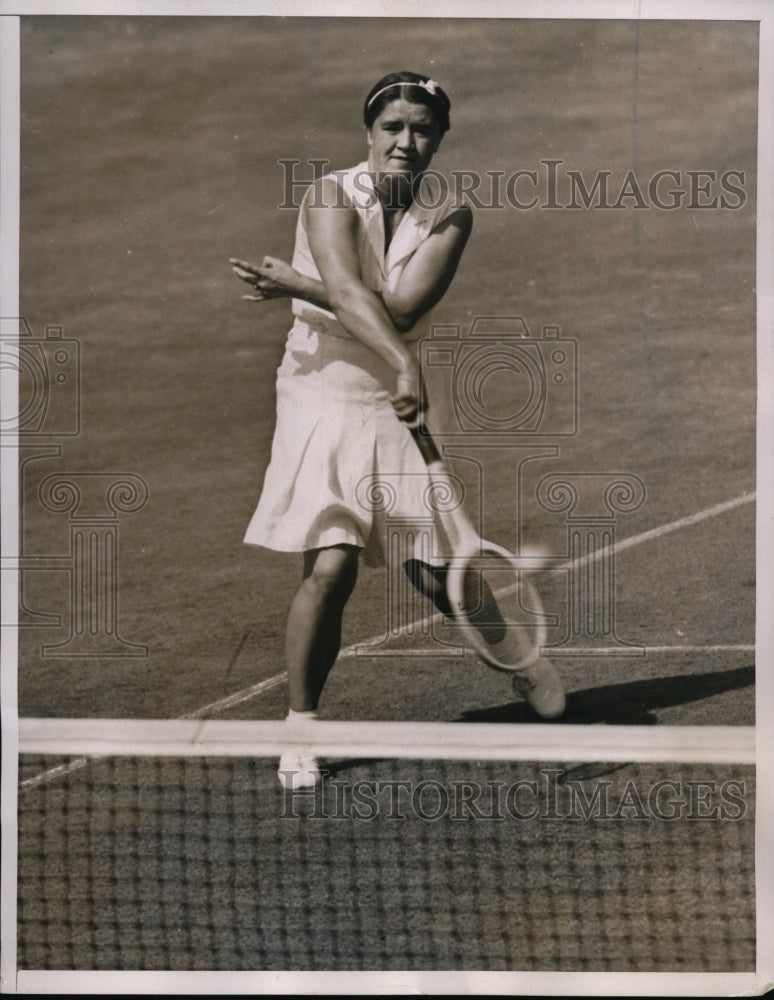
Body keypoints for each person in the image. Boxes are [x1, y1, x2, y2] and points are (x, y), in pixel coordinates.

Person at [231, 72, 564, 789]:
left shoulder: (452, 215)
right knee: (332, 564)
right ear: (370, 133)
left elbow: (403, 309)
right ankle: (301, 730)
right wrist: (398, 357)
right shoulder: (328, 195)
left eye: (421, 129)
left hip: (393, 395)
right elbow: (352, 293)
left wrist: (296, 285)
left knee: (437, 575)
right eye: (393, 128)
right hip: (319, 390)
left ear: (439, 138)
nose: (406, 142)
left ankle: (523, 663)